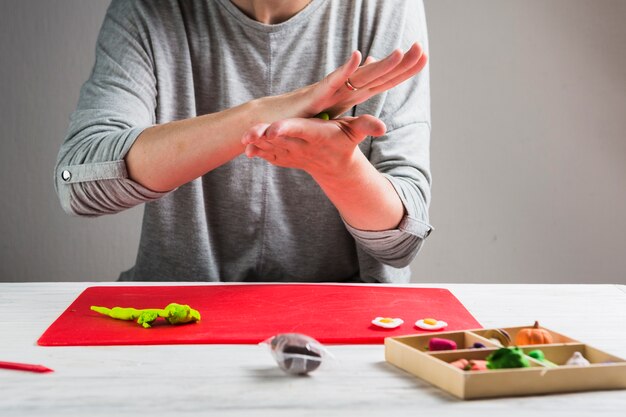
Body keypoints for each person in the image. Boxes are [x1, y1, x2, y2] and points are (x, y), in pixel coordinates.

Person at [55, 0, 433, 283]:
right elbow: (80, 184)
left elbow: (402, 242)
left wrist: (340, 169)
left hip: (342, 327)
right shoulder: (148, 9)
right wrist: (260, 114)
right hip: (173, 323)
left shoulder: (385, 7)